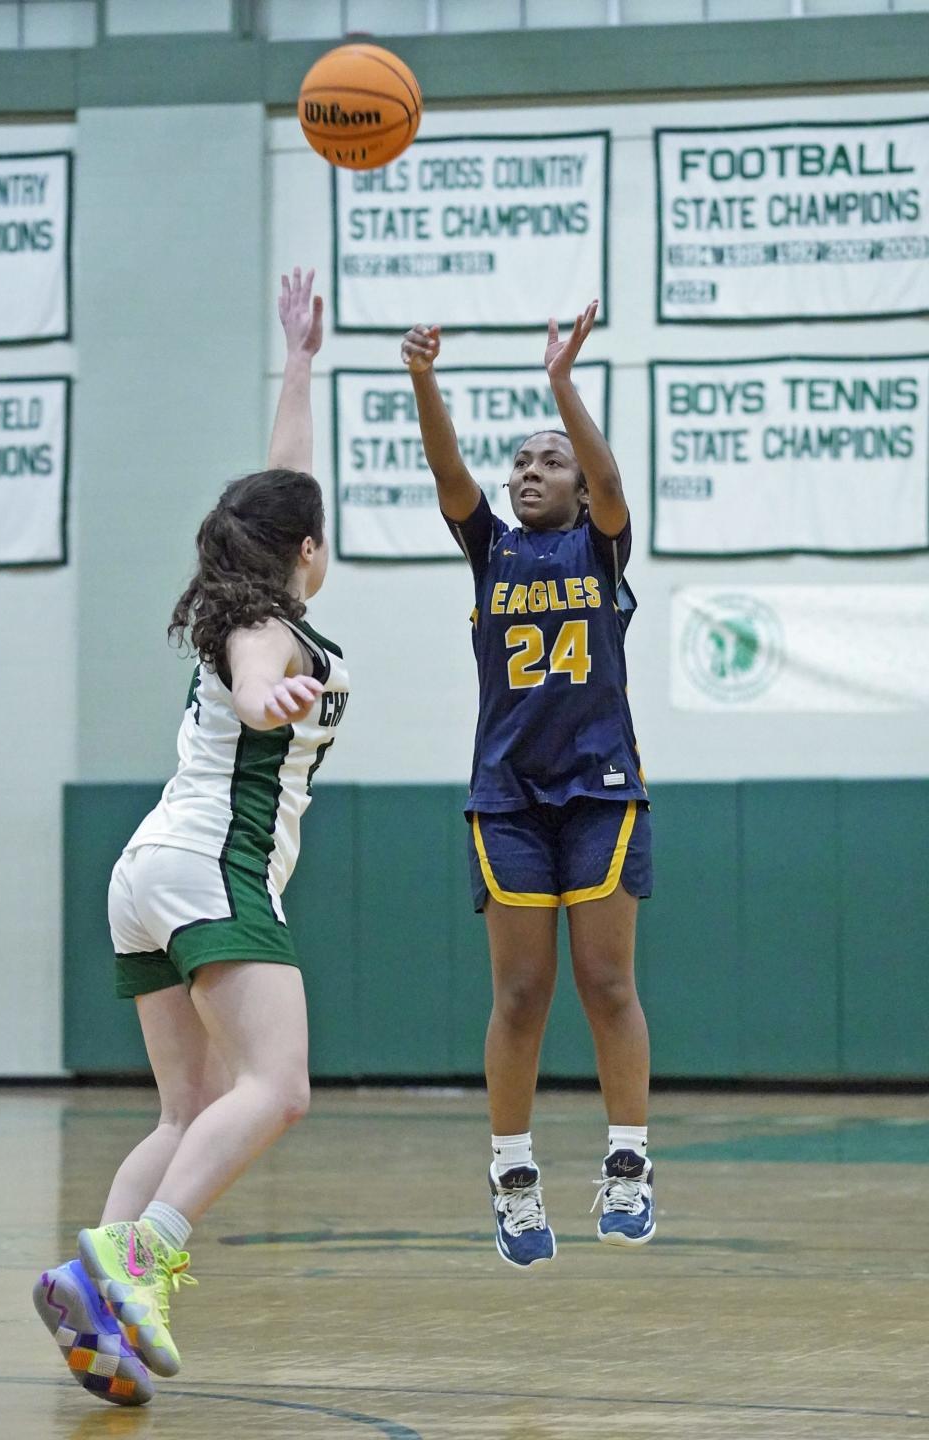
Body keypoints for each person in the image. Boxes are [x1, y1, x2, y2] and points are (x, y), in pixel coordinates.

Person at [33, 268, 347, 1405]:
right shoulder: (265, 628)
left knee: (188, 1106)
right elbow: (262, 673)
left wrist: (300, 363)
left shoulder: (250, 595)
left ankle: (91, 1292)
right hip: (212, 866)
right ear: (306, 548)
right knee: (281, 1085)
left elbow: (290, 487)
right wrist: (272, 701)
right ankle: (145, 1253)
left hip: (148, 868)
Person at [401, 302, 654, 1269]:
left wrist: (562, 384)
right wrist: (425, 377)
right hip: (507, 794)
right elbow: (446, 473)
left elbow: (613, 477)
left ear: (581, 491)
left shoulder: (601, 544)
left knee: (607, 980)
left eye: (547, 461)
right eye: (520, 464)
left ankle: (627, 1164)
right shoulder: (492, 549)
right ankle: (514, 1178)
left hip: (600, 788)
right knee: (520, 993)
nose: (527, 473)